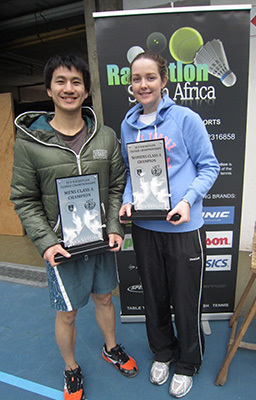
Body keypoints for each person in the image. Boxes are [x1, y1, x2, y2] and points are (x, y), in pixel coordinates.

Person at [10, 54, 138, 400]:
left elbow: (116, 186)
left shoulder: (106, 137)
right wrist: (47, 242)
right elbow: (23, 198)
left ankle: (111, 348)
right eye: (61, 82)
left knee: (104, 299)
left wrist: (114, 225)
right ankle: (71, 369)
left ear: (87, 90)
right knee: (67, 314)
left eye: (76, 82)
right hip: (61, 246)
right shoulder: (30, 143)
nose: (69, 88)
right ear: (49, 89)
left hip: (99, 241)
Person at [119, 51, 220, 398]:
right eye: (136, 78)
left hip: (183, 229)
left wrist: (187, 201)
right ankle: (163, 352)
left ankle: (188, 363)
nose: (143, 84)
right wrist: (127, 200)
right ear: (130, 84)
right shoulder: (128, 125)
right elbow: (131, 175)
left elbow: (210, 167)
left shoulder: (185, 119)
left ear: (164, 81)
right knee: (155, 297)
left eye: (150, 77)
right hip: (146, 229)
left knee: (185, 299)